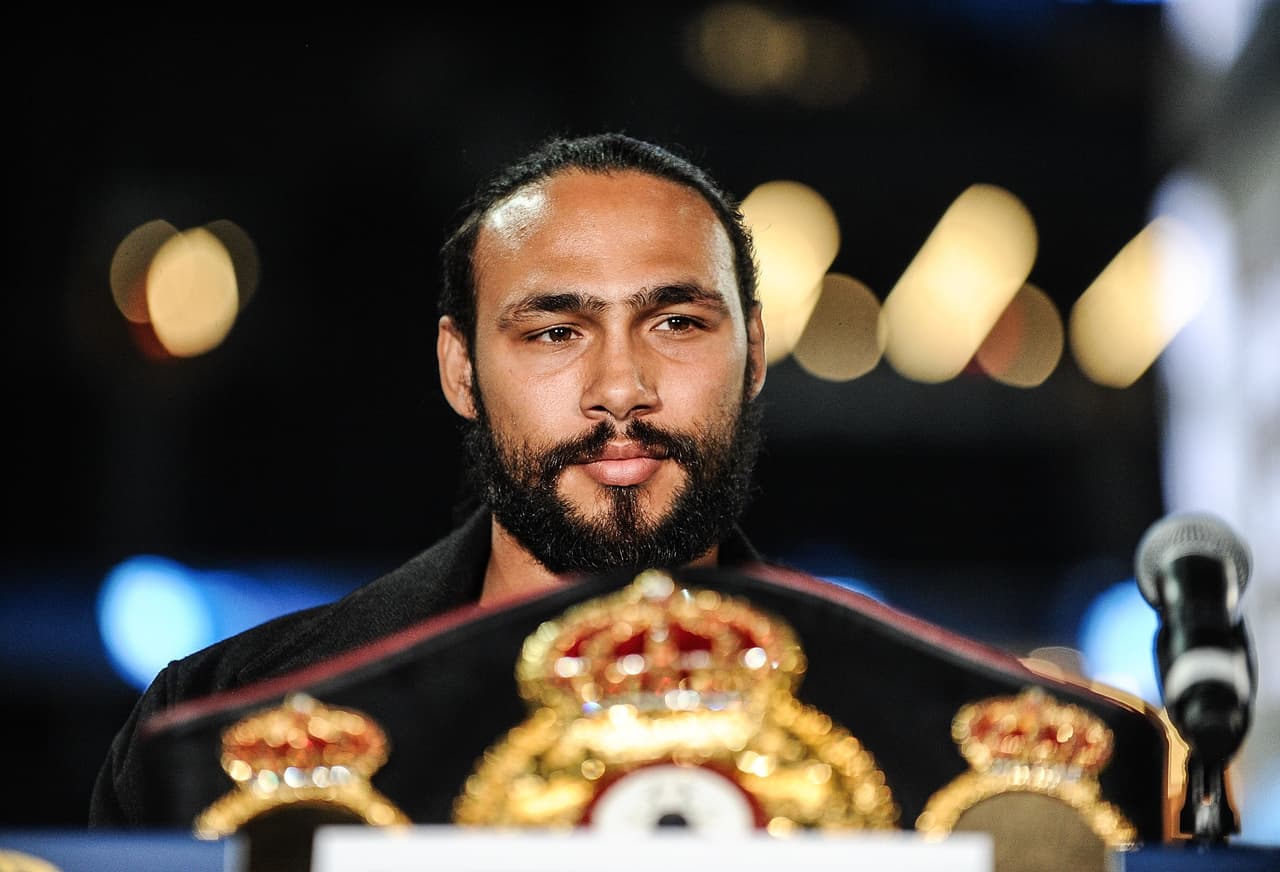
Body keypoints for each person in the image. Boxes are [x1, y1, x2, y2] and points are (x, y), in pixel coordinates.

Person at [90, 131, 773, 825]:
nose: (622, 387)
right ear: (460, 370)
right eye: (555, 332)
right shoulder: (219, 730)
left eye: (678, 323)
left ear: (753, 358)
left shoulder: (880, 700)